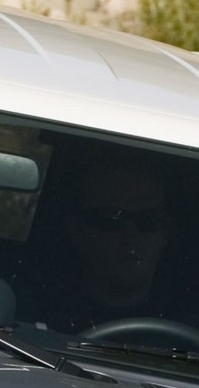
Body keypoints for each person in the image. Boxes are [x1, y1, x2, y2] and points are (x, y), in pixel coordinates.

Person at [20, 143, 181, 335]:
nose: (132, 235)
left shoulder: (196, 322)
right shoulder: (29, 312)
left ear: (166, 233)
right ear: (77, 230)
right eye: (111, 219)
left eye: (149, 220)